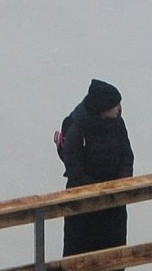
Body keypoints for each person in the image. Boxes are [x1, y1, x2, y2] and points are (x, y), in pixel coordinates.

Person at [55, 79, 133, 255]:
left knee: (114, 256)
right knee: (80, 258)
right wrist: (103, 191)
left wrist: (122, 184)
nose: (119, 108)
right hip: (83, 207)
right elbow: (75, 171)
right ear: (103, 107)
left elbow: (127, 155)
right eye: (115, 105)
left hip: (114, 208)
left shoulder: (118, 124)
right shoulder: (76, 129)